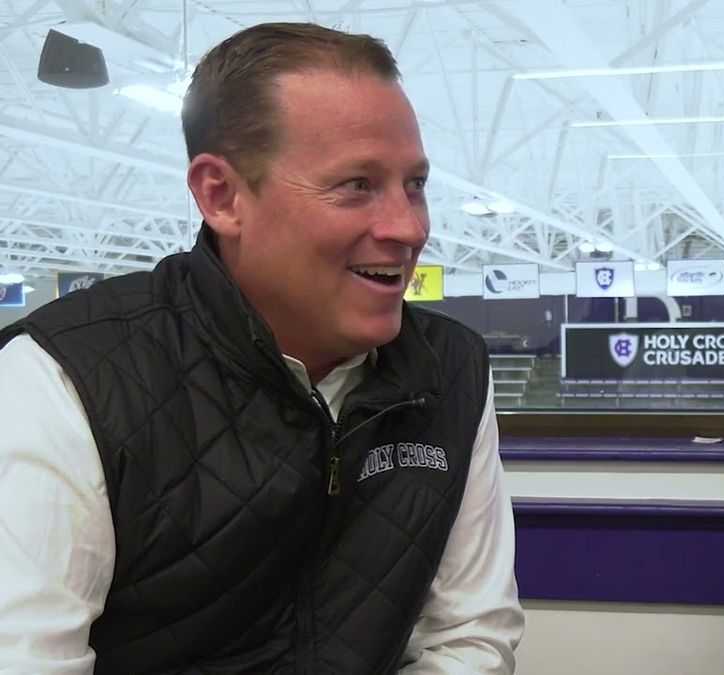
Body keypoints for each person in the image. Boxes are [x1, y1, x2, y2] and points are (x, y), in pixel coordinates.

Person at [0, 22, 523, 674]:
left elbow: (470, 634)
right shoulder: (64, 381)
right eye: (357, 184)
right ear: (221, 195)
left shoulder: (451, 371)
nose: (409, 226)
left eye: (414, 184)